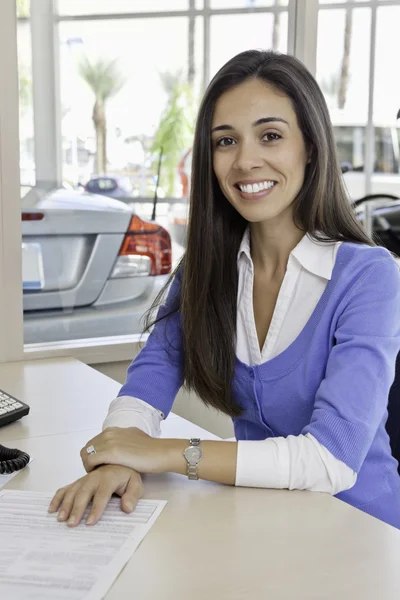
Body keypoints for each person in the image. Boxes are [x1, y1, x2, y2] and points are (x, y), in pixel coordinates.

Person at [49, 49, 400, 529]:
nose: (245, 161)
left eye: (270, 136)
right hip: (261, 527)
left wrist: (164, 453)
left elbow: (330, 460)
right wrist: (117, 458)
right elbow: (148, 380)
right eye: (225, 141)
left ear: (312, 148)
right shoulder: (208, 270)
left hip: (365, 534)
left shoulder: (369, 276)